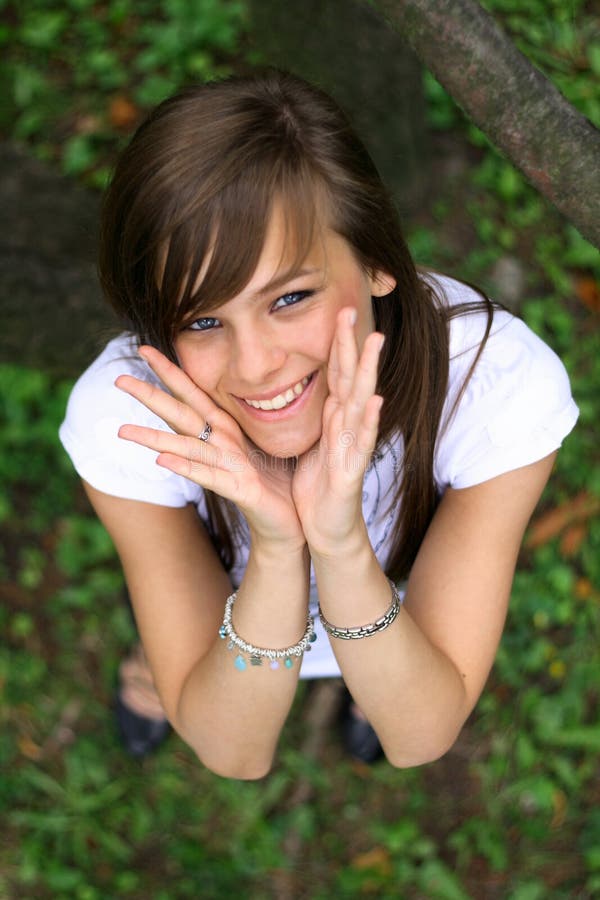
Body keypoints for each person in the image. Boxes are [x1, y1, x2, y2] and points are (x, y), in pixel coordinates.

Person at [59, 70, 578, 777]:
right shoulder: (130, 416)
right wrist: (276, 548)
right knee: (177, 671)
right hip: (229, 606)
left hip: (392, 596)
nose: (256, 365)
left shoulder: (494, 390)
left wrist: (337, 544)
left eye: (290, 297)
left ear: (376, 263)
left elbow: (423, 735)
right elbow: (231, 750)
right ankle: (158, 674)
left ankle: (367, 684)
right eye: (203, 319)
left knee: (403, 684)